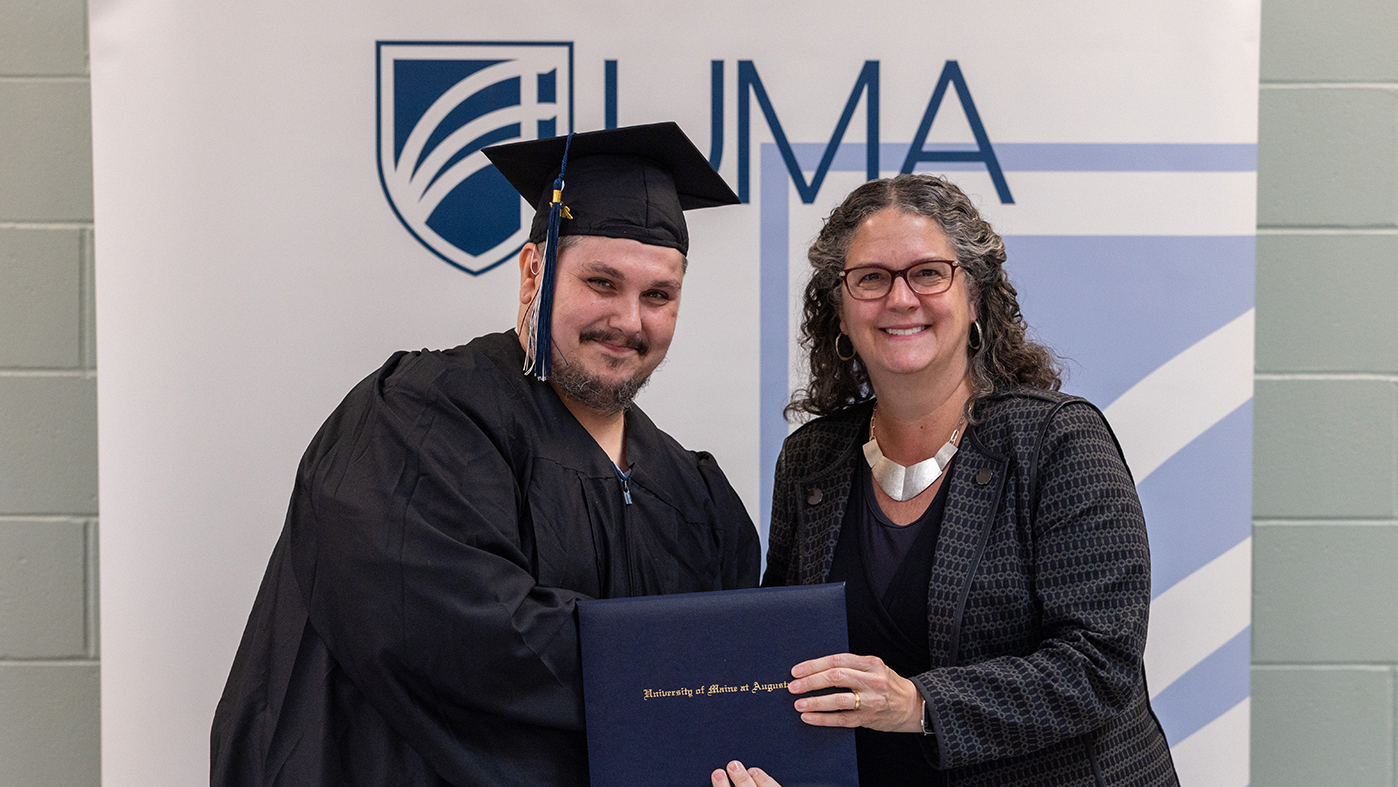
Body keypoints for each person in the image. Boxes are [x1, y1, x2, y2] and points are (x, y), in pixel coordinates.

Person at [211, 122, 761, 786]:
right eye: (601, 282)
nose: (628, 320)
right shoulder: (419, 417)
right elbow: (464, 640)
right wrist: (683, 664)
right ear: (534, 273)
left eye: (658, 295)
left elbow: (733, 687)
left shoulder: (694, 496)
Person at [716, 173, 1178, 787]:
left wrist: (918, 705)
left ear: (975, 298)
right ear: (840, 311)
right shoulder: (810, 461)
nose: (901, 299)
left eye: (929, 273)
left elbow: (1099, 664)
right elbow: (787, 658)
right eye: (871, 278)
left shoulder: (1058, 441)